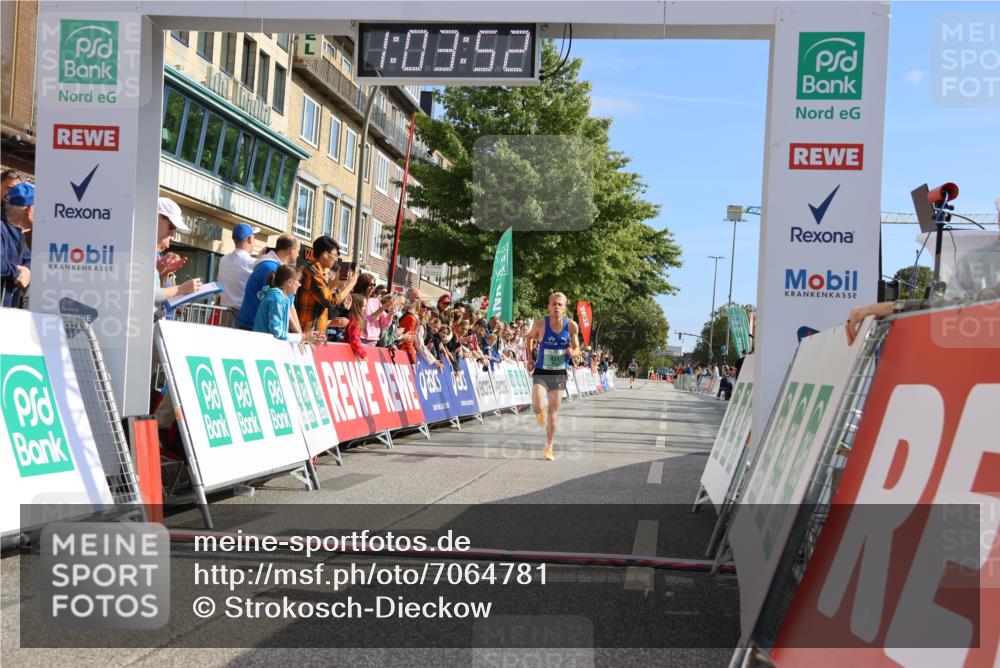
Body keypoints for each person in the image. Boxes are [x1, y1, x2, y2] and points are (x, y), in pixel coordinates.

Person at [526, 292, 581, 461]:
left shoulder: (571, 326)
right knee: (536, 406)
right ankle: (539, 412)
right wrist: (529, 358)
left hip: (559, 373)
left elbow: (578, 347)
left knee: (553, 413)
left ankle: (549, 447)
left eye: (560, 305)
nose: (557, 307)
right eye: (554, 304)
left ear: (565, 308)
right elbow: (528, 338)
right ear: (548, 306)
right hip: (542, 371)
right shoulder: (540, 324)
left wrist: (573, 352)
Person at [296, 235, 356, 339]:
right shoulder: (313, 273)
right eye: (335, 255)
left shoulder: (314, 271)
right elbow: (330, 302)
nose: (336, 259)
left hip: (313, 335)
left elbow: (322, 293)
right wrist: (351, 285)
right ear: (325, 254)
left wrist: (336, 281)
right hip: (308, 335)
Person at [236, 234, 300, 330]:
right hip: (254, 327)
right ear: (291, 250)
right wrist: (300, 336)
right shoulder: (272, 268)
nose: (298, 255)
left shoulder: (268, 266)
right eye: (298, 251)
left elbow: (290, 305)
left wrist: (300, 335)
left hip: (251, 324)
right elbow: (285, 307)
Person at [154, 197, 201, 306]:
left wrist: (162, 271)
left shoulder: (147, 250)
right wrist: (181, 289)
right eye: (171, 226)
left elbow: (152, 293)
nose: (172, 234)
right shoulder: (141, 247)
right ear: (156, 217)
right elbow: (151, 294)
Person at [2, 181, 33, 308]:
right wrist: (16, 271)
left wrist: (27, 270)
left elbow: (28, 257)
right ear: (30, 210)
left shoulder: (17, 229)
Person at [252, 265, 301, 342]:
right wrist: (301, 338)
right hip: (262, 347)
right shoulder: (276, 299)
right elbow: (276, 333)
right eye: (298, 281)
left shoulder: (281, 298)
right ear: (289, 282)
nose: (300, 284)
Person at [217, 223, 259, 309]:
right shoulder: (252, 262)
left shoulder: (223, 259)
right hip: (241, 313)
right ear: (250, 239)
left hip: (223, 311)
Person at [397, 288, 423, 364]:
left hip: (403, 350)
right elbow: (408, 340)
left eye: (419, 298)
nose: (418, 300)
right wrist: (413, 360)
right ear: (408, 297)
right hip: (402, 353)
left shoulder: (413, 314)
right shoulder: (410, 316)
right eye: (416, 297)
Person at [344, 293, 368, 359]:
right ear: (356, 306)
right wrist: (363, 354)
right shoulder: (354, 322)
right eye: (363, 306)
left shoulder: (355, 320)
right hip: (347, 351)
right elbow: (354, 339)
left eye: (366, 306)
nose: (365, 309)